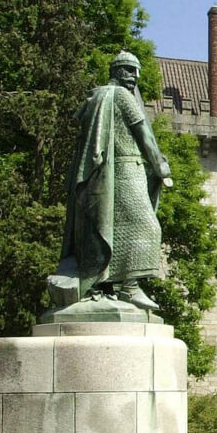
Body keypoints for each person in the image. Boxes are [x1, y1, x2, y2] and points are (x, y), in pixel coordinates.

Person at [49, 50, 171, 310]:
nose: (134, 77)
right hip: (126, 171)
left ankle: (105, 285)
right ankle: (130, 287)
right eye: (129, 70)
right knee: (147, 227)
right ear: (116, 71)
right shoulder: (122, 97)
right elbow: (145, 136)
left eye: (136, 72)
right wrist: (161, 167)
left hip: (102, 175)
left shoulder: (95, 97)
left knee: (106, 229)